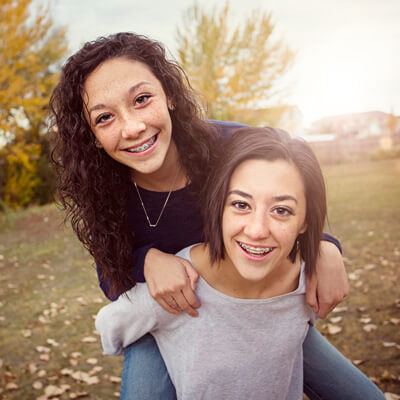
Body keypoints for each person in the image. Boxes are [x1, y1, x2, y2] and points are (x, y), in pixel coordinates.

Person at [49, 32, 379, 399]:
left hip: (250, 306)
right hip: (168, 316)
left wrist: (324, 246)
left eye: (142, 100)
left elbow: (293, 189)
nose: (132, 127)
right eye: (105, 118)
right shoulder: (100, 187)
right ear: (92, 135)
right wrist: (148, 262)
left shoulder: (232, 148)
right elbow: (109, 275)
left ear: (169, 95)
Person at [95, 127, 384, 400]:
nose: (257, 229)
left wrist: (326, 246)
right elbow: (112, 324)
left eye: (281, 210)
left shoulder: (306, 284)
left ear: (305, 221)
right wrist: (147, 268)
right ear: (217, 206)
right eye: (241, 205)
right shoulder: (175, 290)